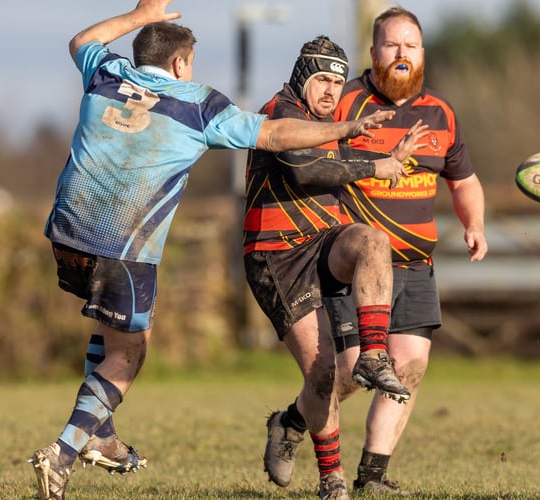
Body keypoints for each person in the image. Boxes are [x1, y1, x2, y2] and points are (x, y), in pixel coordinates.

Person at [27, 2, 403, 499]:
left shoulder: (108, 73)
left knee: (110, 330)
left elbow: (80, 40)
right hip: (123, 243)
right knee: (129, 353)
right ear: (183, 63)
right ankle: (64, 451)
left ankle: (102, 432)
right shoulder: (197, 103)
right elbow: (274, 134)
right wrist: (345, 130)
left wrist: (141, 13)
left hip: (66, 230)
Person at [262, 5, 489, 495]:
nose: (402, 53)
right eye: (392, 44)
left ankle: (372, 476)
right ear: (374, 52)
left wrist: (475, 224)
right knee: (348, 371)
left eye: (411, 45)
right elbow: (303, 157)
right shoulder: (341, 102)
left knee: (407, 365)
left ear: (422, 53)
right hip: (355, 261)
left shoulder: (441, 113)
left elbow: (464, 180)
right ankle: (293, 420)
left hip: (417, 263)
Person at [244, 35, 428, 500]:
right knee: (323, 370)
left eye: (336, 81)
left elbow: (341, 160)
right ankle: (333, 481)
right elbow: (304, 170)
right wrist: (374, 167)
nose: (331, 90)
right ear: (303, 78)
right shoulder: (281, 113)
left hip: (321, 243)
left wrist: (389, 160)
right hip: (276, 254)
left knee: (371, 240)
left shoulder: (325, 122)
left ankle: (372, 353)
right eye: (322, 80)